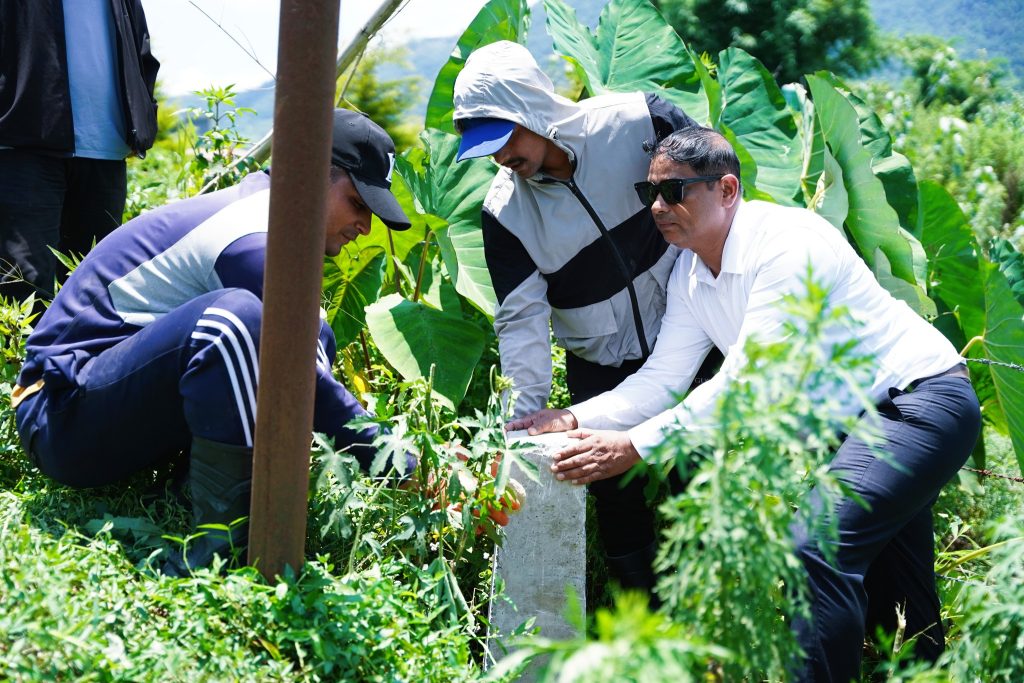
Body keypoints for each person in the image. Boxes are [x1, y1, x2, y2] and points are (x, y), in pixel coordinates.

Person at [510, 126, 981, 680]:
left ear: (727, 189)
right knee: (902, 603)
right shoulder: (690, 272)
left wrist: (635, 446)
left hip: (918, 402)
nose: (658, 208)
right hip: (862, 425)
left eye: (675, 192)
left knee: (817, 550)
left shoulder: (786, 243)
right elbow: (662, 379)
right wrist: (571, 416)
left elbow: (749, 382)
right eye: (650, 194)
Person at [11, 109, 415, 576]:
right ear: (306, 174)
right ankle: (218, 552)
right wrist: (407, 466)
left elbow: (312, 363)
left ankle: (194, 494)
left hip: (112, 408)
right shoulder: (248, 234)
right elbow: (310, 384)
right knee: (239, 319)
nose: (364, 226)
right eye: (358, 203)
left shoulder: (267, 228)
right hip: (59, 417)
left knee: (304, 330)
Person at [452, 40, 716, 592]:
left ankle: (712, 618)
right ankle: (640, 633)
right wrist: (520, 426)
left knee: (700, 480)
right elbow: (520, 321)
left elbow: (716, 199)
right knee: (617, 501)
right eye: (487, 150)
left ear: (532, 108)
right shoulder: (505, 212)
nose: (501, 159)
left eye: (503, 140)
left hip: (692, 343)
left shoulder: (641, 121)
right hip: (601, 366)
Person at [0, 0, 159, 304]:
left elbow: (139, 44)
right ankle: (23, 355)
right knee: (25, 285)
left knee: (94, 289)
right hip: (23, 140)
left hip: (105, 147)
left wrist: (142, 115)